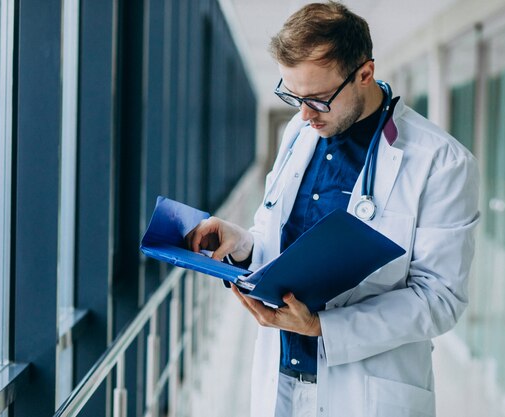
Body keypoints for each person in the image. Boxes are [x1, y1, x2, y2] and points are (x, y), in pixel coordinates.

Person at [187, 2, 479, 416]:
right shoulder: (299, 133)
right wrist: (243, 245)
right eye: (292, 96)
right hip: (281, 382)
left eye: (318, 99)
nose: (304, 114)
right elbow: (279, 236)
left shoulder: (441, 162)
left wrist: (323, 327)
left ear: (365, 74)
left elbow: (440, 298)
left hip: (366, 393)